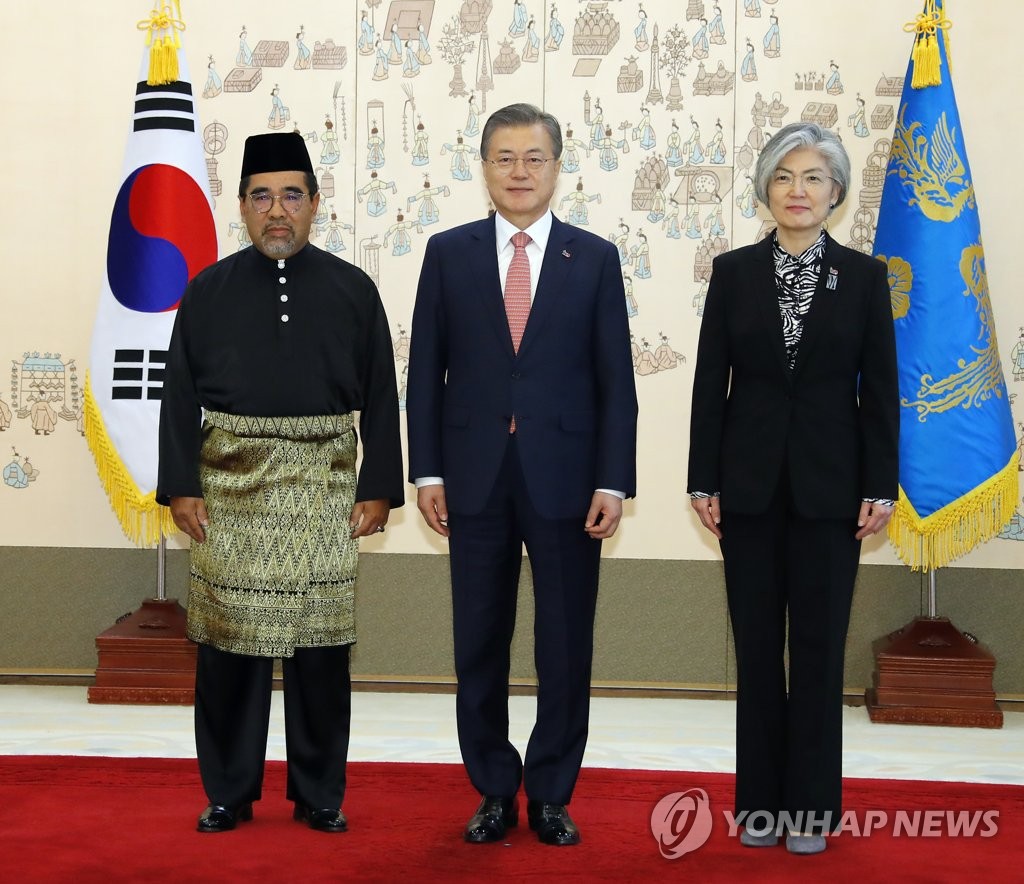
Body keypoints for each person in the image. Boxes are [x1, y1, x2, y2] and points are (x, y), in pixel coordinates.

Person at [158, 132, 404, 835]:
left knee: (321, 652)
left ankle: (319, 795)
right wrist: (182, 485)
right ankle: (230, 792)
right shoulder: (207, 291)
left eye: (291, 196)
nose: (277, 211)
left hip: (325, 487)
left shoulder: (354, 290)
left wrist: (376, 485)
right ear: (241, 207)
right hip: (230, 489)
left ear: (315, 205)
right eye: (262, 196)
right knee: (229, 651)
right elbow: (178, 396)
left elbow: (382, 396)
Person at [406, 103, 638, 848]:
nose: (519, 172)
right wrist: (427, 471)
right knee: (479, 638)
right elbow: (426, 374)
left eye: (533, 158)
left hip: (569, 480)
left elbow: (615, 382)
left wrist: (613, 480)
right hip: (472, 477)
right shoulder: (448, 252)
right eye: (504, 157)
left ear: (556, 166)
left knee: (565, 643)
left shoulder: (594, 257)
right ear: (484, 166)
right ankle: (495, 789)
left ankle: (552, 793)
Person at [687, 122, 898, 855]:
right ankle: (759, 809)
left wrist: (882, 485)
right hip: (745, 492)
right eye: (784, 177)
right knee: (755, 651)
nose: (797, 191)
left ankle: (810, 811)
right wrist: (702, 478)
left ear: (835, 192)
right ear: (766, 189)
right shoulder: (735, 272)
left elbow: (883, 395)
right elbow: (711, 383)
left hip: (832, 494)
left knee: (815, 653)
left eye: (813, 177)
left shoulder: (867, 279)